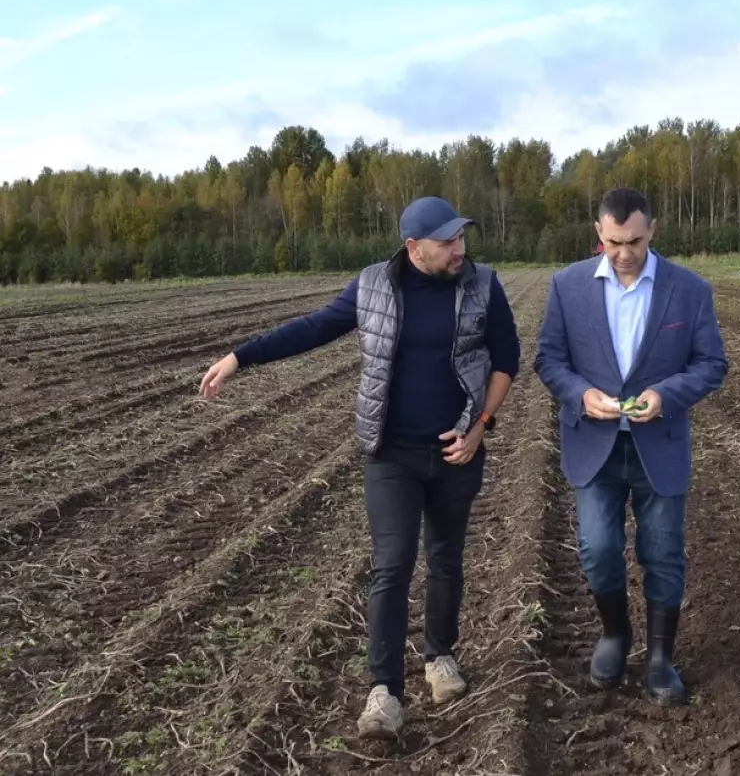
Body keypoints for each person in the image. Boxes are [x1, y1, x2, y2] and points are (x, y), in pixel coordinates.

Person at [198, 196, 521, 740]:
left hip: (455, 452)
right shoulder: (373, 285)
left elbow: (506, 356)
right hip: (390, 451)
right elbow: (315, 327)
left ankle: (440, 658)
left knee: (445, 559)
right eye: (447, 242)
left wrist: (479, 427)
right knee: (392, 565)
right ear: (414, 247)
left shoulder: (482, 284)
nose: (459, 249)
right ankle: (384, 693)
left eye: (462, 238)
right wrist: (240, 356)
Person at [533, 187, 728, 706]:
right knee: (597, 549)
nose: (624, 253)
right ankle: (615, 635)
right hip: (594, 445)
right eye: (614, 241)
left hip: (657, 445)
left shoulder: (687, 290)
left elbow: (712, 365)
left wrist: (666, 395)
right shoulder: (567, 287)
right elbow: (549, 360)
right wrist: (581, 394)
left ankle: (662, 656)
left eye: (635, 241)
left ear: (652, 231)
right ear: (598, 233)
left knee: (662, 551)